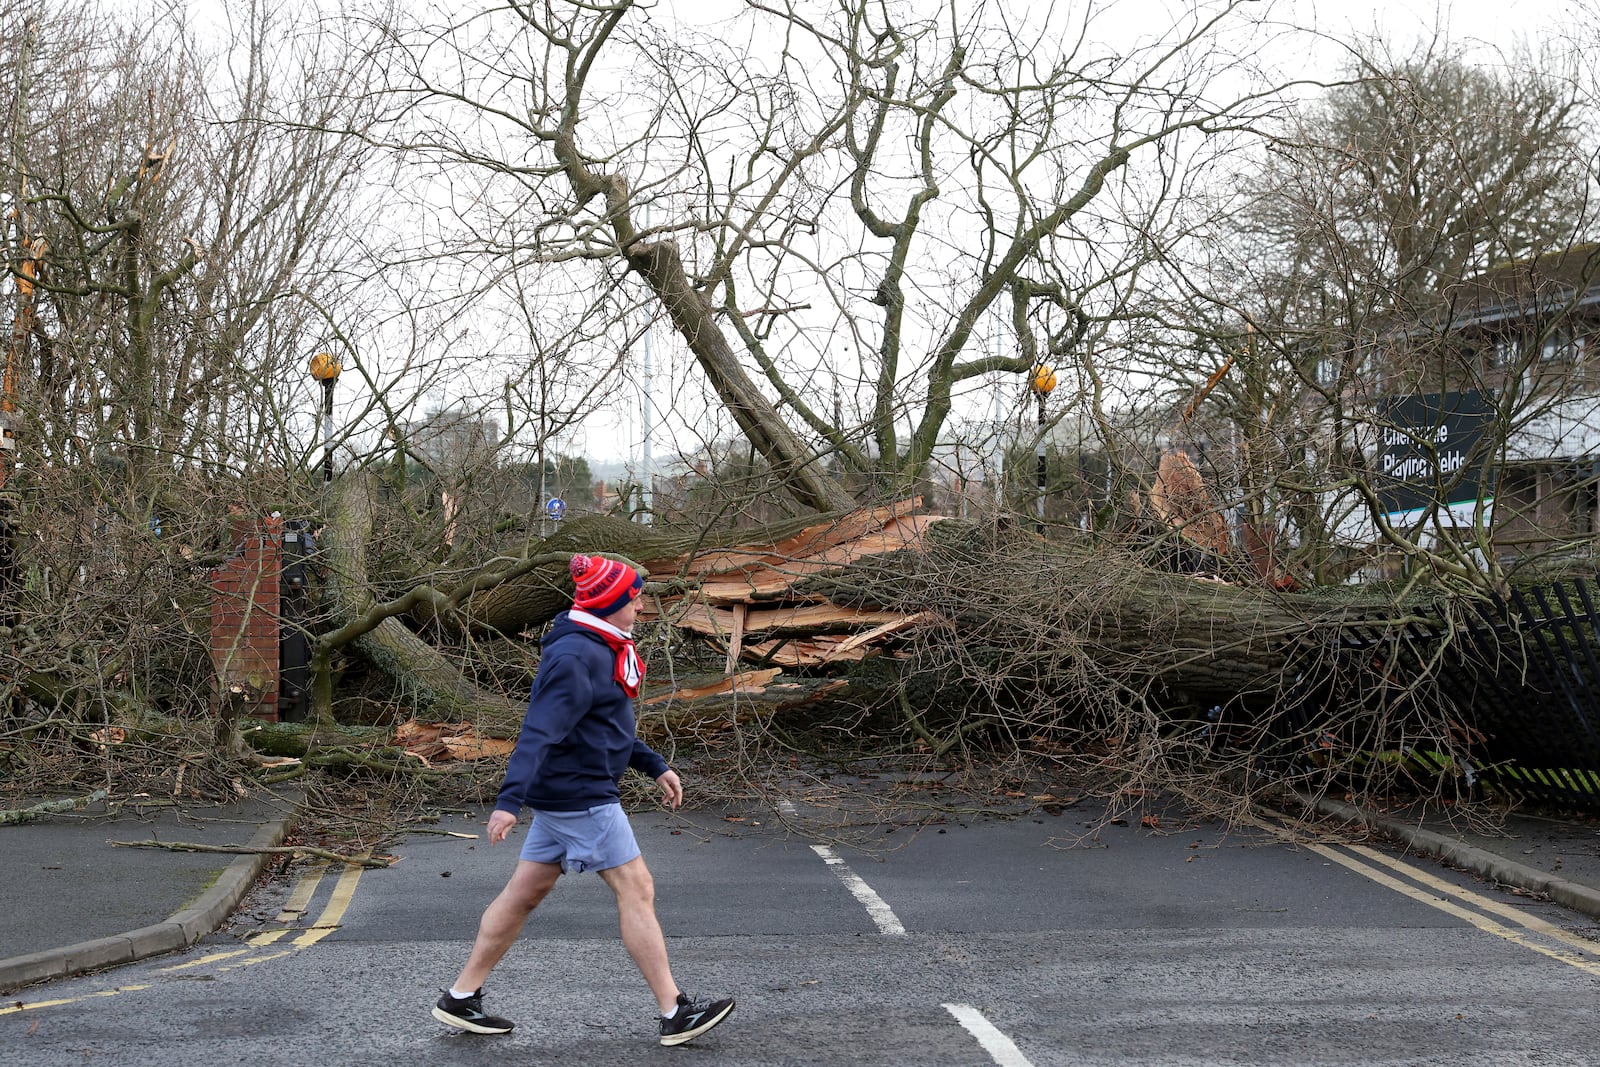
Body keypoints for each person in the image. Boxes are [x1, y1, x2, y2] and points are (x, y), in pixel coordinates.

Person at [431, 553, 735, 1047]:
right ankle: (674, 1010)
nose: (640, 606)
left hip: (568, 790)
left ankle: (461, 997)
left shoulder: (600, 645)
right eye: (633, 598)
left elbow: (601, 727)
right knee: (637, 889)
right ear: (610, 602)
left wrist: (654, 765)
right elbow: (538, 731)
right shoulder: (578, 656)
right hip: (580, 795)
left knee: (523, 894)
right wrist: (509, 801)